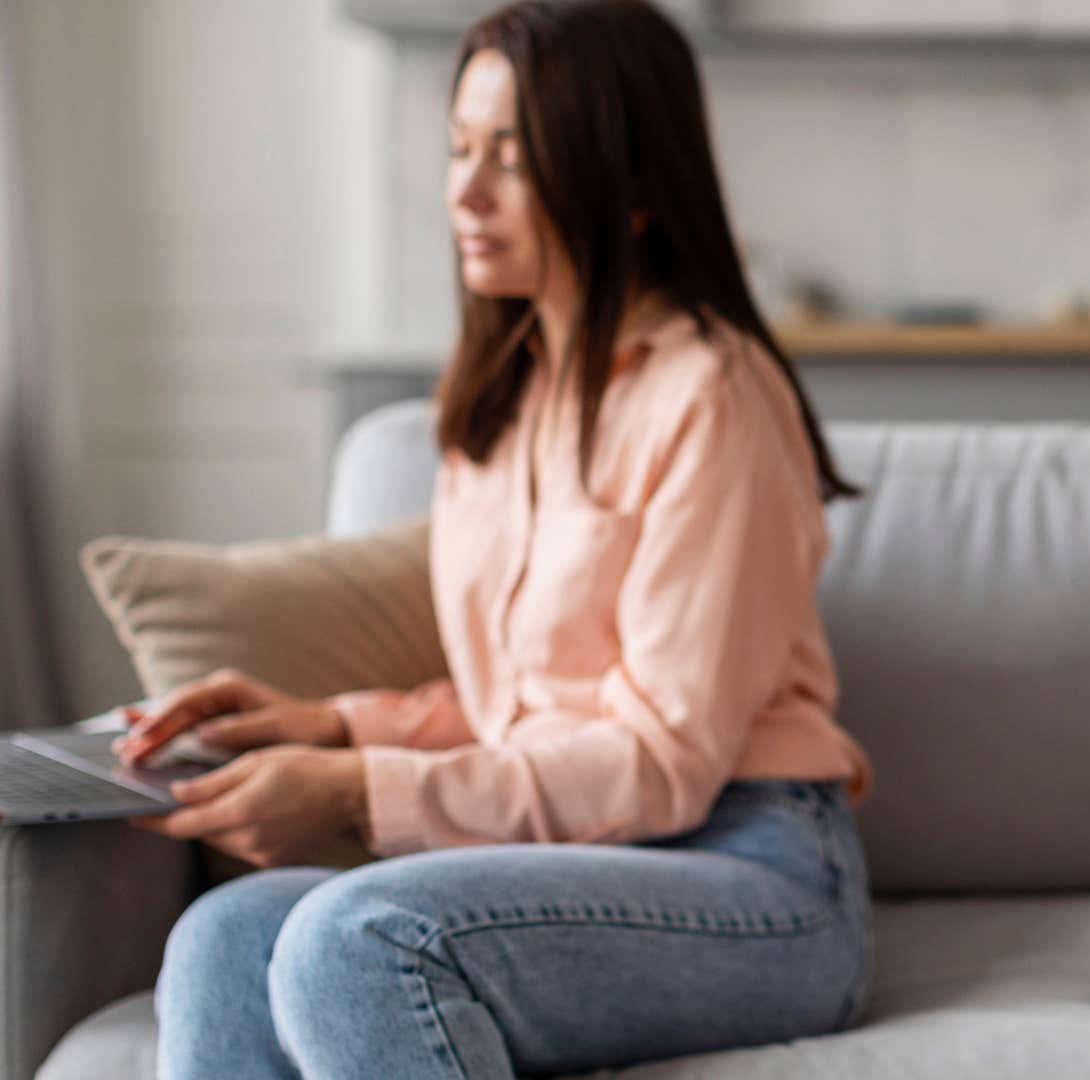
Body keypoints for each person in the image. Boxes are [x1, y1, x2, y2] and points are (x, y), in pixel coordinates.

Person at [111, 2, 873, 1075]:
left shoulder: (714, 393)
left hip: (757, 872)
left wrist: (354, 789)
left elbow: (661, 762)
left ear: (638, 183)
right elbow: (536, 705)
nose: (465, 192)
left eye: (512, 158)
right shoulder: (499, 407)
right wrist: (330, 725)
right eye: (460, 149)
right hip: (569, 847)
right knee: (221, 939)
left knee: (354, 942)